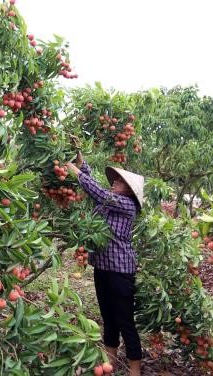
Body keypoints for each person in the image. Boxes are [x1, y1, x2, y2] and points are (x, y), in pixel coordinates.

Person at [66, 151, 144, 376]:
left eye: (118, 181)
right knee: (108, 318)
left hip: (120, 272)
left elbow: (98, 192)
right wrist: (82, 163)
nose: (114, 182)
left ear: (128, 189)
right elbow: (98, 191)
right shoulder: (112, 203)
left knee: (125, 321)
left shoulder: (127, 205)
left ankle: (135, 372)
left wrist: (75, 171)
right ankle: (111, 364)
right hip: (102, 268)